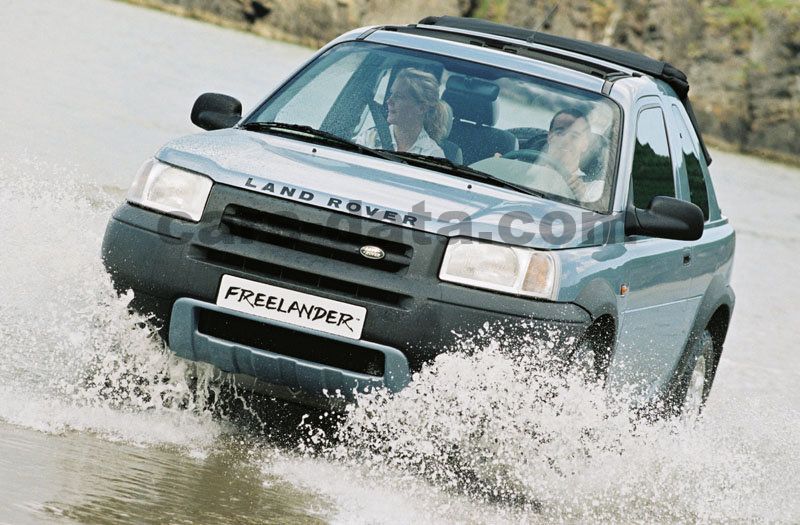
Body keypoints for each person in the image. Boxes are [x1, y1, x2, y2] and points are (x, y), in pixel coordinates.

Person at [355, 68, 449, 158]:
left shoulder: (433, 155)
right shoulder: (369, 138)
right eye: (391, 93)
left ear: (421, 108)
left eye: (399, 96)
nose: (389, 101)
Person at [539, 107, 604, 202]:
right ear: (549, 137)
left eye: (574, 136)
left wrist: (582, 198)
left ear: (585, 144)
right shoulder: (521, 168)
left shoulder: (596, 189)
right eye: (560, 133)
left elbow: (594, 216)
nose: (565, 141)